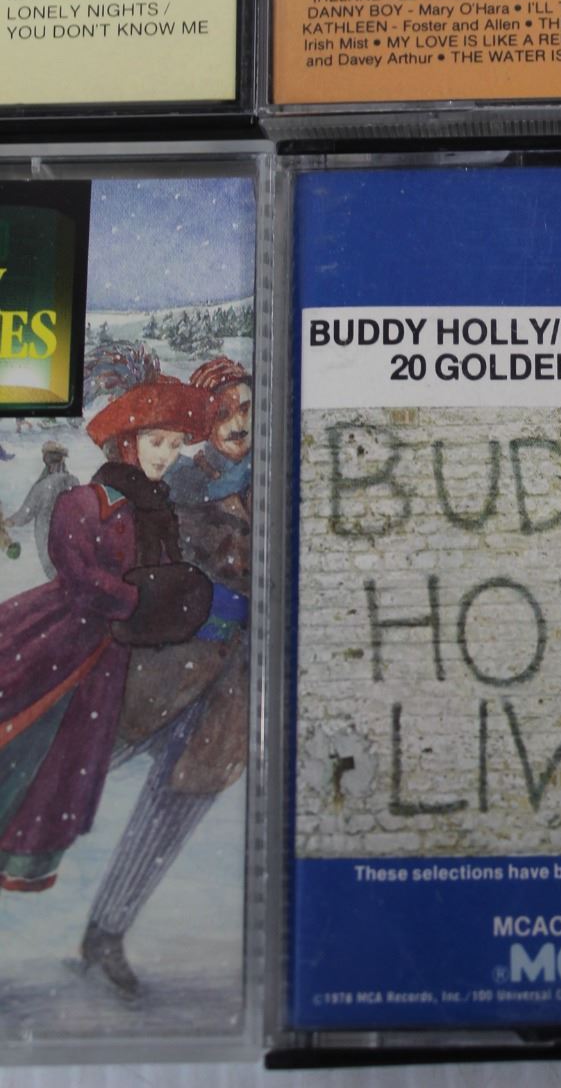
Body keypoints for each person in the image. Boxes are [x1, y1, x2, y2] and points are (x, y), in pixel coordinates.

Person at [0, 376, 213, 899]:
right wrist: (135, 600)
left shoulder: (159, 511)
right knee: (25, 738)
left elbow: (165, 575)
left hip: (109, 657)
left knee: (70, 763)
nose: (166, 455)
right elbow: (78, 574)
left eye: (175, 445)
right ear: (128, 443)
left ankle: (26, 857)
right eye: (156, 441)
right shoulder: (84, 501)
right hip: (58, 638)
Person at [82, 357, 253, 998]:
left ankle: (106, 932)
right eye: (225, 409)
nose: (239, 422)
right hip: (159, 668)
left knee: (174, 807)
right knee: (72, 765)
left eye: (248, 408)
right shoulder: (174, 478)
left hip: (231, 689)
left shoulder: (273, 479)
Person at [9, 439, 78, 578]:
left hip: (47, 540)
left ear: (46, 460)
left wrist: (7, 522)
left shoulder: (42, 487)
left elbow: (24, 515)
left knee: (55, 577)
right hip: (71, 539)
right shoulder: (73, 481)